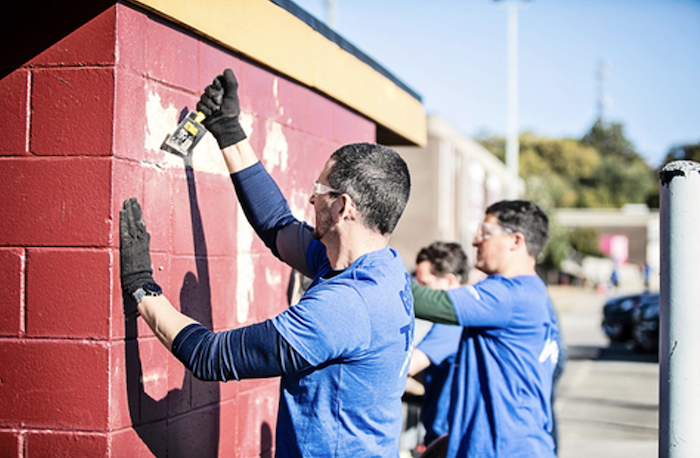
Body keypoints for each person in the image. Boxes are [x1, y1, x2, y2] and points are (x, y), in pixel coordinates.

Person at [119, 68, 414, 457]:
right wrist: (228, 131)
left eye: (318, 190)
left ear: (343, 207)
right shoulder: (379, 268)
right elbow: (278, 228)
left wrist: (143, 286)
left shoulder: (343, 308)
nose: (310, 200)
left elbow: (211, 357)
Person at [411, 200, 560, 458]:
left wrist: (373, 261)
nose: (476, 241)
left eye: (486, 232)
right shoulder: (535, 294)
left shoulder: (509, 295)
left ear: (516, 241)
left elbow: (429, 302)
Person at [407, 242, 468, 449]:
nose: (420, 295)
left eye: (424, 285)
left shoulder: (452, 324)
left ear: (450, 282)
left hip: (445, 439)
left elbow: (408, 365)